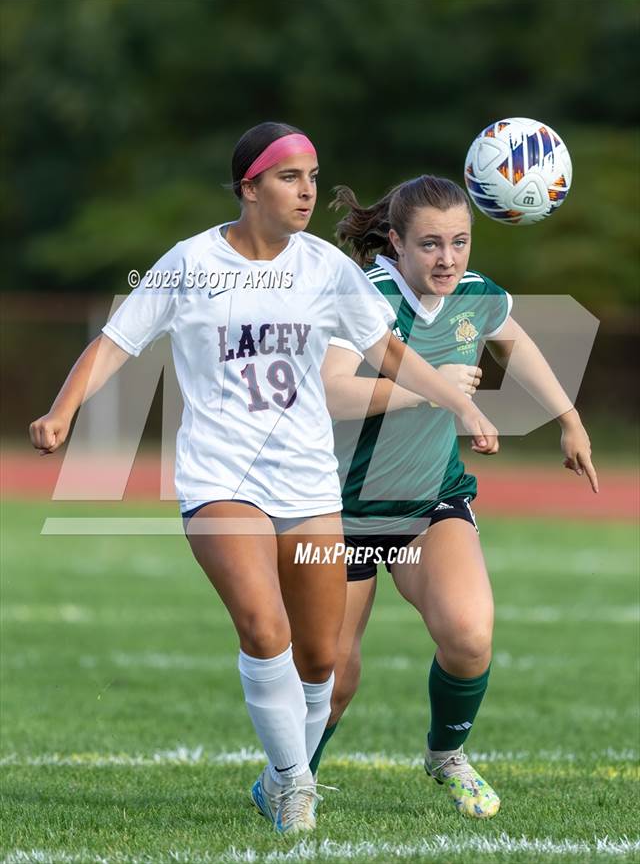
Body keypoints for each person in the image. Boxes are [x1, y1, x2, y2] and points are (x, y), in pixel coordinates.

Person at [28, 129, 499, 833]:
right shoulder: (191, 262)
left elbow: (388, 351)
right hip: (220, 478)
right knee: (263, 625)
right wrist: (63, 409)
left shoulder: (326, 269)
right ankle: (291, 786)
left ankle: (288, 770)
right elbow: (117, 340)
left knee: (322, 663)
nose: (307, 190)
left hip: (308, 484)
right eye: (288, 177)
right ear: (249, 188)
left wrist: (459, 399)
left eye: (312, 176)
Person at [316, 175, 598, 819]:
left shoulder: (476, 297)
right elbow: (331, 393)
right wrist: (439, 390)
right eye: (431, 245)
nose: (447, 259)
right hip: (343, 509)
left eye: (460, 243)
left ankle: (446, 755)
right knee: (332, 679)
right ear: (396, 241)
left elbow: (514, 341)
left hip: (429, 502)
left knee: (470, 636)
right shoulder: (366, 301)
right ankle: (292, 778)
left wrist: (568, 418)